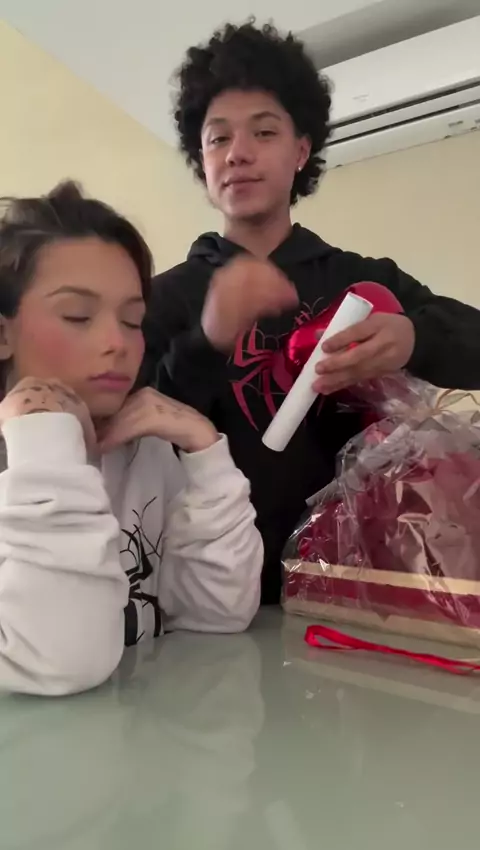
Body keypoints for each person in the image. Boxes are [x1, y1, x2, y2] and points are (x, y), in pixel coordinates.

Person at [144, 21, 480, 605]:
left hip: (357, 584)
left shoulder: (361, 280)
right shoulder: (164, 297)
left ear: (300, 151)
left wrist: (414, 338)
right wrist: (204, 343)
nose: (238, 153)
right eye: (218, 139)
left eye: (264, 132)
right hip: (203, 589)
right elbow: (130, 437)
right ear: (203, 161)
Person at [0, 181, 263, 696]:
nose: (117, 343)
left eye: (132, 320)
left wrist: (206, 451)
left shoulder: (146, 449)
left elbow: (216, 615)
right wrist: (46, 439)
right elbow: (60, 663)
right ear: (4, 334)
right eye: (78, 316)